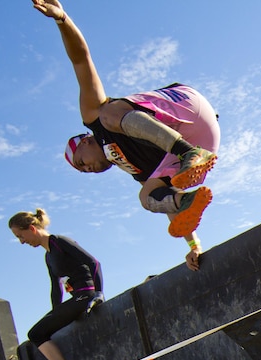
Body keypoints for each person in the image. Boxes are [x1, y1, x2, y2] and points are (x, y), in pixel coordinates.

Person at [32, 0, 220, 272]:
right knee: (148, 194)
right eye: (85, 172)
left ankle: (186, 151)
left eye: (82, 162)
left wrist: (62, 19)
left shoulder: (94, 118)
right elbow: (170, 211)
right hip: (205, 142)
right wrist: (194, 246)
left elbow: (81, 60)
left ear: (85, 141)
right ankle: (188, 190)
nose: (90, 170)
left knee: (107, 114)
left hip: (186, 108)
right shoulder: (133, 166)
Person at [8, 208, 104, 360]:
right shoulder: (48, 256)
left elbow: (93, 262)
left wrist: (99, 293)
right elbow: (56, 289)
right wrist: (55, 314)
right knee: (39, 332)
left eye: (21, 236)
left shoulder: (60, 242)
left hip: (85, 295)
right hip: (75, 298)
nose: (22, 241)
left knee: (35, 333)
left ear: (32, 228)